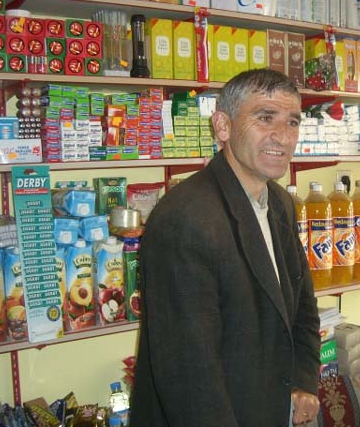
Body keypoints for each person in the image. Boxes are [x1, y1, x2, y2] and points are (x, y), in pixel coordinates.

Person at [129, 69, 321, 427]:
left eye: (292, 122)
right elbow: (189, 373)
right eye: (265, 118)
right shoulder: (183, 219)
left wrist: (302, 381)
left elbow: (302, 310)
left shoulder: (280, 203)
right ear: (223, 126)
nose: (283, 136)